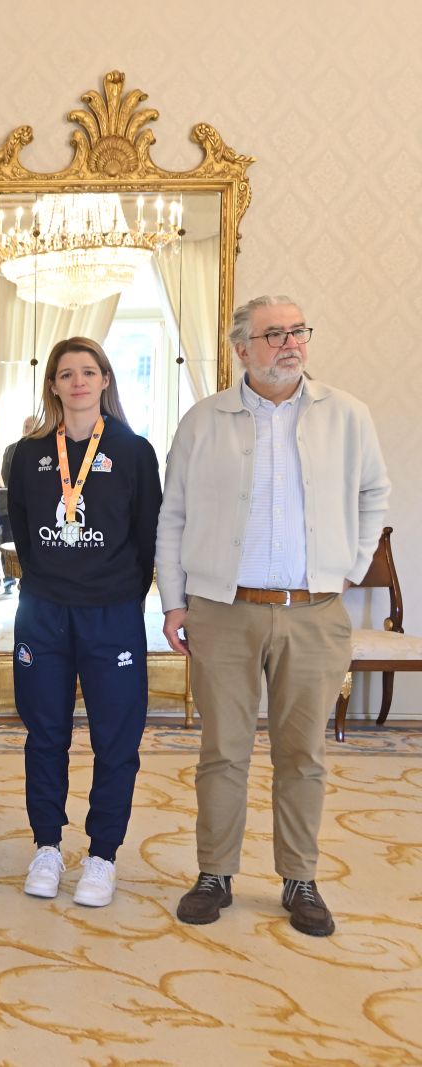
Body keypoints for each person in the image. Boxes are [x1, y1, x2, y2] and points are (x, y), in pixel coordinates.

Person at [159, 296, 389, 937]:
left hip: (313, 612)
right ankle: (215, 872)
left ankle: (300, 877)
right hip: (224, 611)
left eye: (297, 332)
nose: (290, 344)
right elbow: (172, 515)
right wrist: (174, 602)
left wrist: (351, 563)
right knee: (224, 750)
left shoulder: (347, 416)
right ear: (242, 350)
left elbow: (374, 493)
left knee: (303, 753)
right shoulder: (203, 421)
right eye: (274, 334)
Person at [6, 337, 161, 907]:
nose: (77, 382)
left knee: (114, 739)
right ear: (52, 384)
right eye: (66, 373)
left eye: (88, 372)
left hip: (112, 615)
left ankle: (102, 856)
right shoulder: (27, 455)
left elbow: (148, 533)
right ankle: (47, 845)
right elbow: (21, 528)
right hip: (44, 613)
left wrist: (121, 593)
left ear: (104, 381)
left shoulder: (134, 450)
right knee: (45, 734)